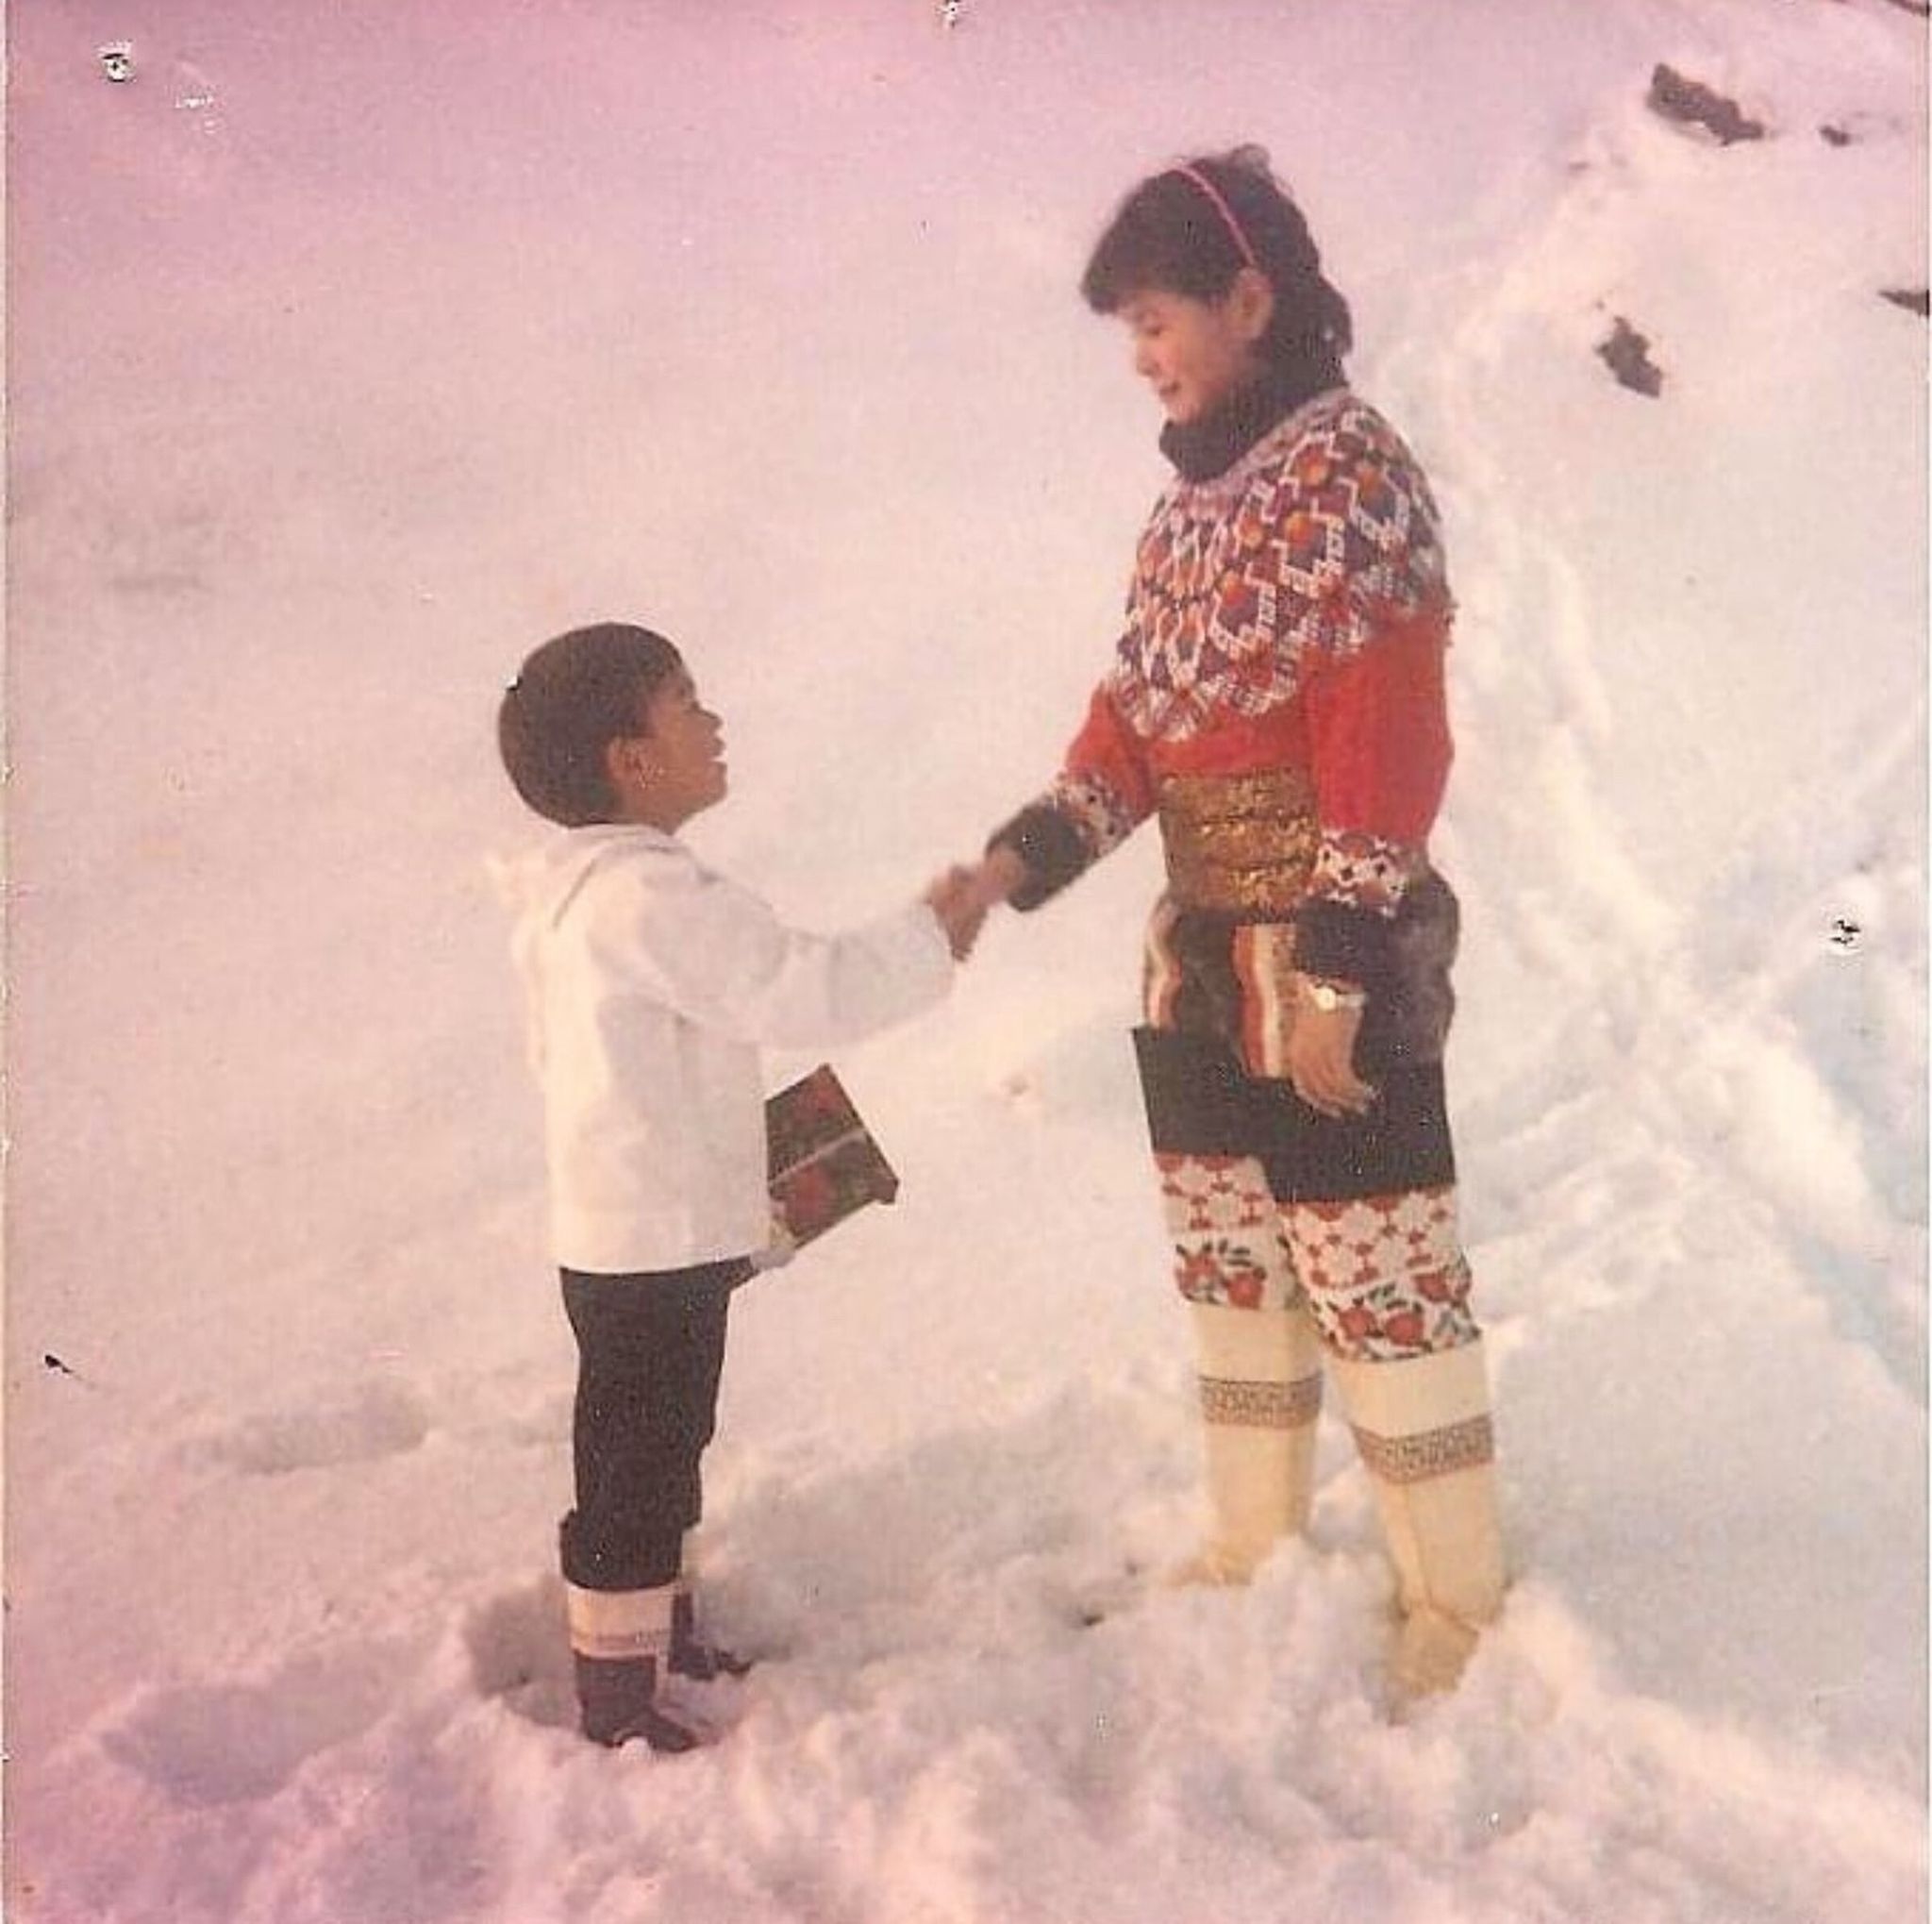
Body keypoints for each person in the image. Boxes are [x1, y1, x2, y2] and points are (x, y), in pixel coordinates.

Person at [953, 148, 1505, 1698]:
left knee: (1376, 1268)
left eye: (1155, 320)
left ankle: (1451, 1598)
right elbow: (1131, 722)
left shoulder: (1351, 485)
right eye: (1126, 332)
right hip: (1197, 959)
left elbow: (1386, 746)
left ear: (1248, 299)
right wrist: (1014, 859)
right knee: (1235, 1265)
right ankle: (1250, 1538)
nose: (1143, 356)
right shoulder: (1187, 516)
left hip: (1332, 958)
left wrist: (1334, 972)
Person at [497, 622, 979, 1749]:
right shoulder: (646, 899)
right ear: (631, 757)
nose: (712, 722)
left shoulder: (588, 894)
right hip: (647, 1236)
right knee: (636, 1459)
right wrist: (929, 934)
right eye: (686, 701)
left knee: (660, 1439)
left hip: (635, 1228)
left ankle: (655, 1637)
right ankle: (616, 1688)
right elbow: (795, 990)